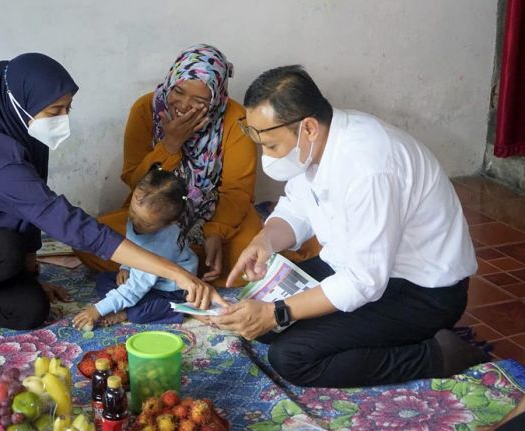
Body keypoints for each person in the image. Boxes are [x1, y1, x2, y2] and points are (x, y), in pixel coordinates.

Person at [0, 53, 223, 347]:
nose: (63, 120)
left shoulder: (23, 132)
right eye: (54, 111)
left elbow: (30, 207)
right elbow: (67, 222)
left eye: (68, 108)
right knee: (3, 249)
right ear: (19, 104)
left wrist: (30, 268)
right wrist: (172, 269)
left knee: (28, 309)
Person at [211, 65, 488, 388]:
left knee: (291, 355)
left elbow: (364, 281)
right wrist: (265, 241)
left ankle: (438, 354)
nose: (266, 154)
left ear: (308, 128)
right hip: (355, 266)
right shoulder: (316, 144)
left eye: (271, 145)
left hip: (421, 292)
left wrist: (277, 312)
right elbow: (297, 206)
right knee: (266, 326)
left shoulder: (368, 168)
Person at [75, 44, 320, 287]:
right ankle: (178, 266)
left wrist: (214, 232)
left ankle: (163, 267)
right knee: (89, 241)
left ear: (216, 99)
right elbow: (133, 180)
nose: (183, 105)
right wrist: (170, 145)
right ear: (171, 80)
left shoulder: (235, 120)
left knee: (249, 258)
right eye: (179, 92)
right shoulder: (145, 109)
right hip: (157, 213)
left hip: (216, 213)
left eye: (200, 100)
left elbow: (236, 190)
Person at [73, 164, 198, 329]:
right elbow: (132, 247)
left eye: (145, 223)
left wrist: (98, 309)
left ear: (168, 223)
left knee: (139, 312)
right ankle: (124, 304)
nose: (135, 223)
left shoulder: (160, 246)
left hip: (169, 289)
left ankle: (177, 310)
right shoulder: (137, 219)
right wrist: (126, 266)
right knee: (104, 280)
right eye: (132, 213)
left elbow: (135, 289)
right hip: (145, 278)